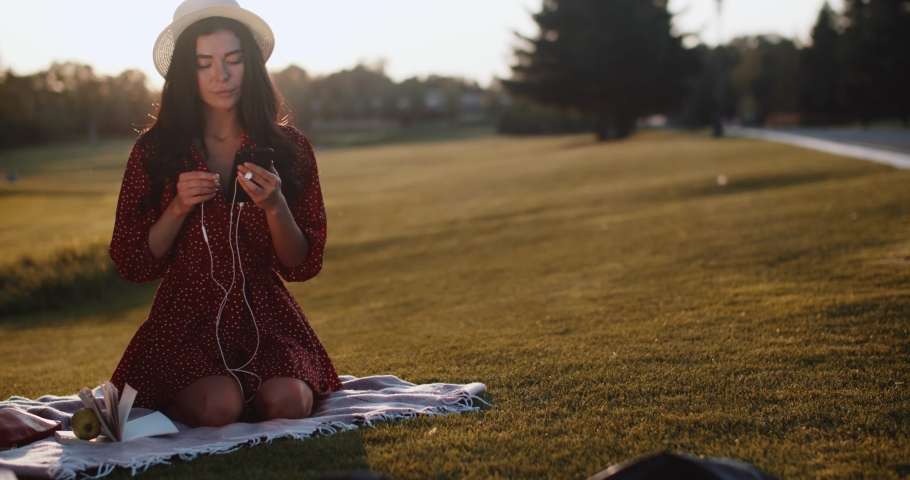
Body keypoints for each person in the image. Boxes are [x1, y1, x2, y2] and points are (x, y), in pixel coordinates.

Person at [109, 0, 342, 428]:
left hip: (265, 315)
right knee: (219, 405)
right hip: (186, 319)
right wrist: (178, 207)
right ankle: (166, 407)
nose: (222, 75)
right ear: (186, 71)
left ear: (250, 64)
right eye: (205, 63)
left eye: (233, 59)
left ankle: (248, 402)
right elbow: (133, 262)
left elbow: (302, 264)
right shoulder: (155, 151)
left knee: (289, 402)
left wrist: (275, 206)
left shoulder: (290, 148)